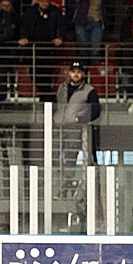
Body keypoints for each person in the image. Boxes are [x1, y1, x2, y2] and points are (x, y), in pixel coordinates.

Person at [55, 61, 100, 191]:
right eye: (73, 72)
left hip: (75, 128)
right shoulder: (62, 88)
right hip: (58, 127)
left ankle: (69, 183)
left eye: (78, 72)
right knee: (55, 155)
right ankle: (65, 182)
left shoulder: (89, 91)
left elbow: (95, 110)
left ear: (83, 74)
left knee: (70, 156)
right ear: (69, 73)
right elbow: (56, 104)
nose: (76, 74)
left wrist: (80, 119)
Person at [18, 0, 64, 103]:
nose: (44, 3)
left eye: (46, 1)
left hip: (49, 49)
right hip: (33, 49)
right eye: (42, 1)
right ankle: (48, 97)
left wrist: (60, 37)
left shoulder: (55, 11)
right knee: (34, 75)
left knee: (47, 75)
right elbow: (23, 26)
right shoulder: (30, 12)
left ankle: (46, 99)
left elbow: (62, 26)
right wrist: (23, 37)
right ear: (37, 0)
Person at [72, 0, 115, 67]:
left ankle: (94, 76)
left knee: (95, 50)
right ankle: (82, 73)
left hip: (97, 21)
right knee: (83, 50)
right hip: (82, 22)